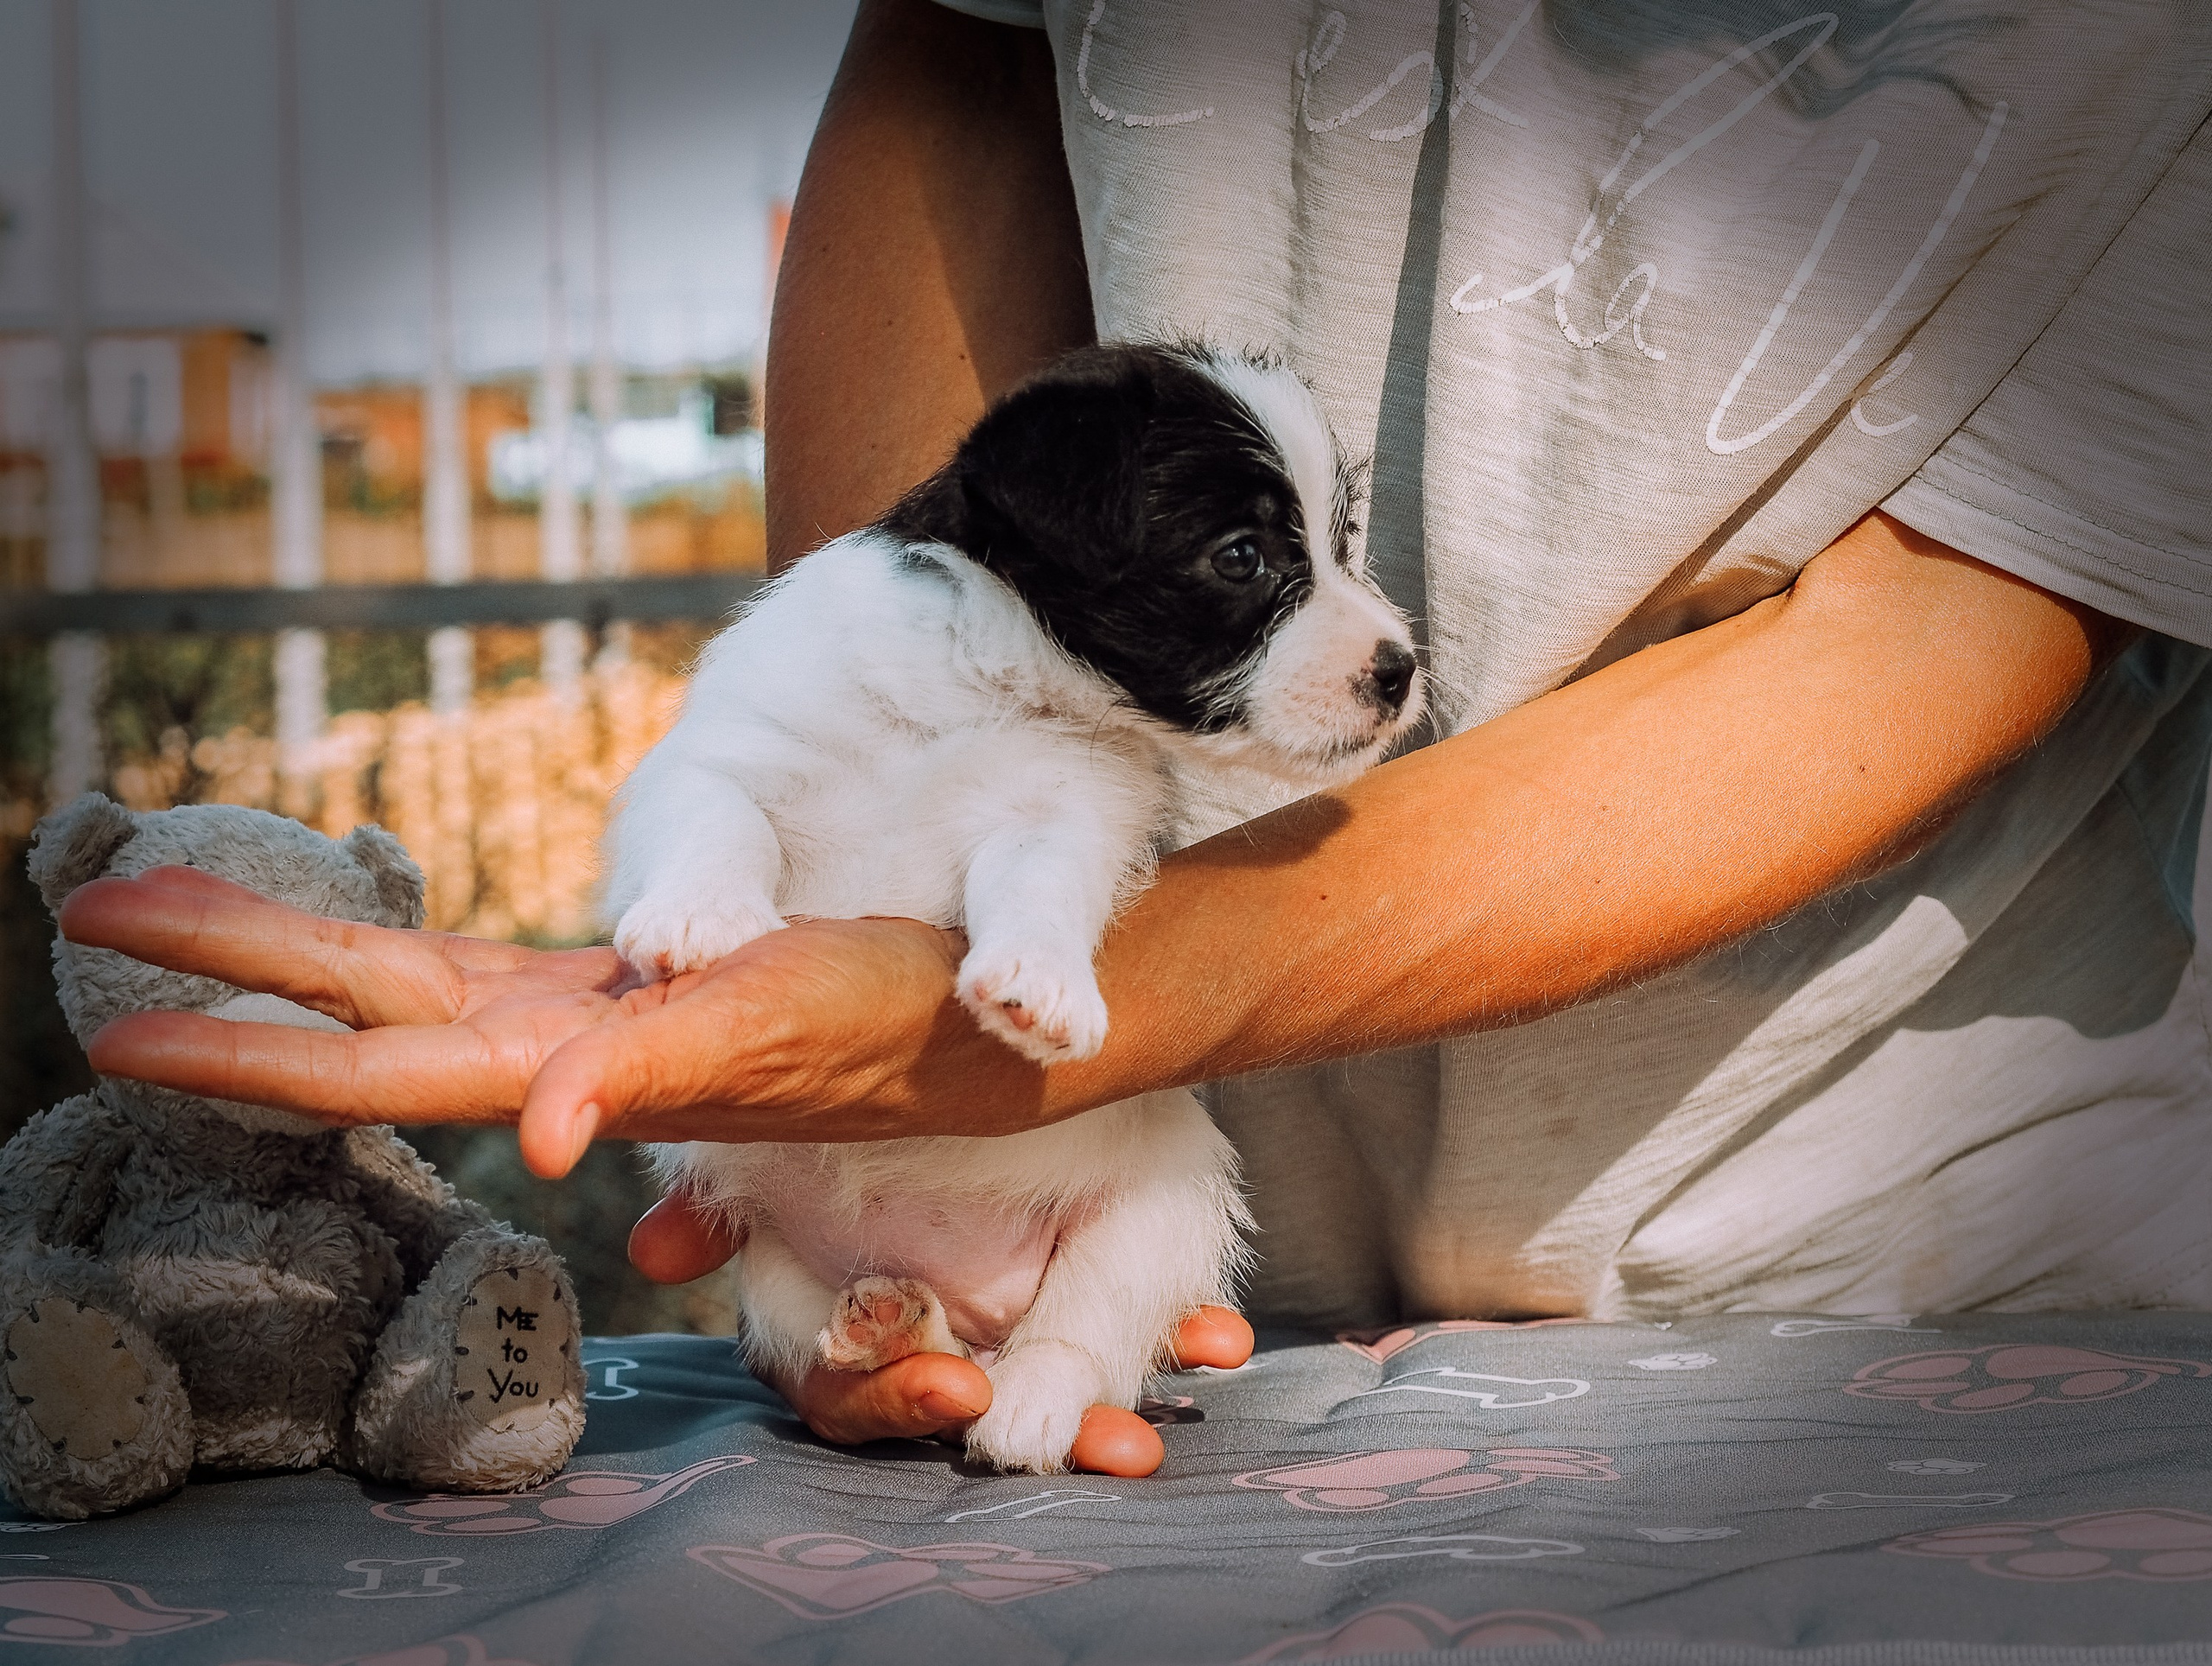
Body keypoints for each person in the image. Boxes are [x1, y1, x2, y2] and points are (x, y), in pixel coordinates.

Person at [65, 0, 2211, 1478]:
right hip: (1221, 1297)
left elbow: (1962, 603)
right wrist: (852, 1050)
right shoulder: (944, 587)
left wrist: (982, 1022)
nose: (1384, 644)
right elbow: (958, 68)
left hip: (1886, 1277)